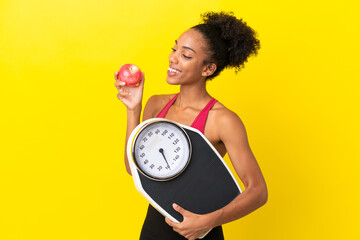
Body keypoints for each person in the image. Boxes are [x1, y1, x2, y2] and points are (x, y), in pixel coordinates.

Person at [114, 11, 268, 240]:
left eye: (186, 55)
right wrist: (133, 108)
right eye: (174, 49)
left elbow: (258, 191)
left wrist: (207, 222)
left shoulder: (223, 120)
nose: (173, 58)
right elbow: (134, 169)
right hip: (155, 229)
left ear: (208, 69)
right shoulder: (156, 105)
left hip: (202, 231)